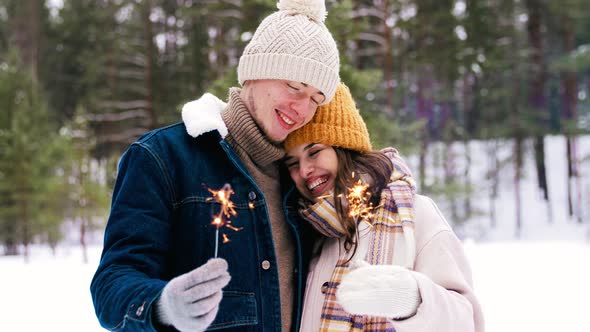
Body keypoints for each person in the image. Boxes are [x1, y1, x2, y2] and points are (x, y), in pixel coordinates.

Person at [90, 0, 340, 331]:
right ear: (255, 73)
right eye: (294, 86)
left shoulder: (300, 180)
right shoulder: (162, 158)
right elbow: (113, 282)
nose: (302, 108)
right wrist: (163, 304)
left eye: (316, 98)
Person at [282, 83, 485, 331]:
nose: (304, 170)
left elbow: (466, 321)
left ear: (345, 149)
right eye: (292, 163)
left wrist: (411, 298)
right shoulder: (309, 231)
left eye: (314, 152)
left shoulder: (416, 213)